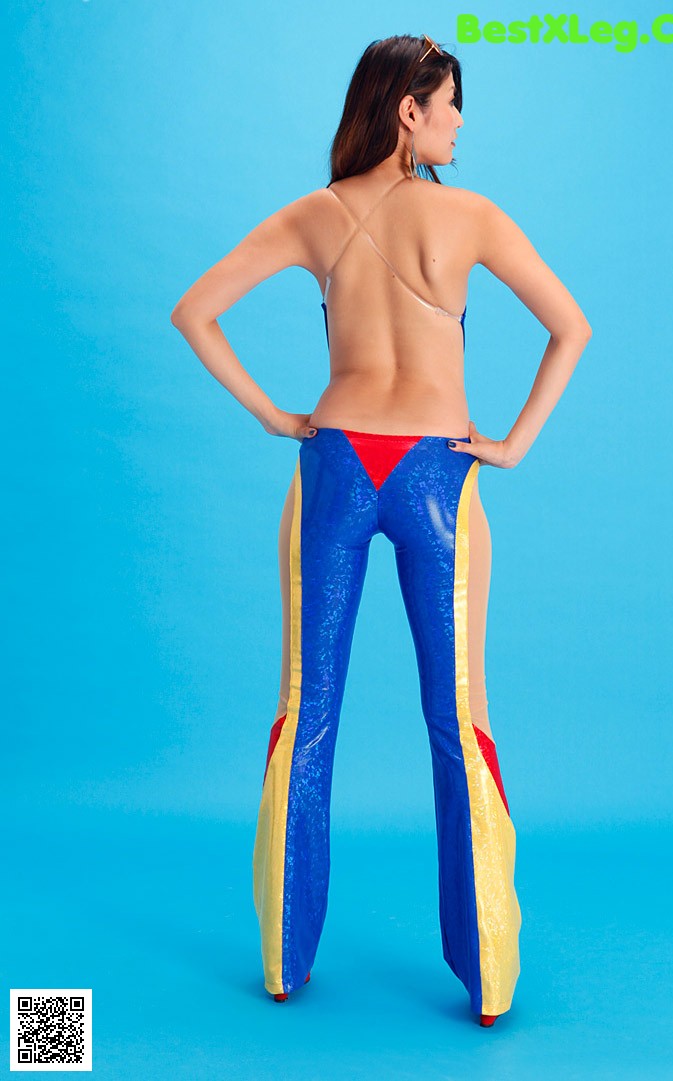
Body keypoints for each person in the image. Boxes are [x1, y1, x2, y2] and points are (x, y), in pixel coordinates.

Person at [170, 33, 592, 1027]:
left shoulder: (313, 214)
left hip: (335, 471)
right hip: (438, 475)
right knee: (460, 719)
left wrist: (275, 416)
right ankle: (489, 980)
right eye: (450, 104)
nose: (459, 123)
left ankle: (283, 962)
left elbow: (194, 311)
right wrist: (513, 443)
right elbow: (570, 326)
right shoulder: (470, 216)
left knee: (304, 713)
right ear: (410, 108)